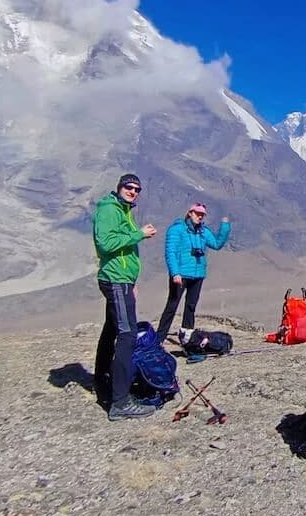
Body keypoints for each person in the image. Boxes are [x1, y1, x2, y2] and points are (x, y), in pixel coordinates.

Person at [92, 173, 158, 421]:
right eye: (129, 187)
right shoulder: (109, 210)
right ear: (118, 187)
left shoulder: (123, 210)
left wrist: (131, 281)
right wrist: (139, 234)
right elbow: (106, 243)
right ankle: (120, 402)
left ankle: (101, 379)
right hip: (115, 280)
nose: (133, 191)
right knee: (127, 334)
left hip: (123, 280)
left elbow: (122, 250)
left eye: (137, 189)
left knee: (112, 328)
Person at [156, 202, 231, 342]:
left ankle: (187, 337)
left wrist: (224, 226)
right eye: (197, 213)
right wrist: (174, 273)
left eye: (202, 215)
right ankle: (159, 338)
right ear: (190, 213)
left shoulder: (203, 231)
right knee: (172, 306)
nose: (200, 217)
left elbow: (216, 244)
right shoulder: (177, 229)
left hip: (197, 274)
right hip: (181, 274)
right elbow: (170, 252)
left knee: (191, 306)